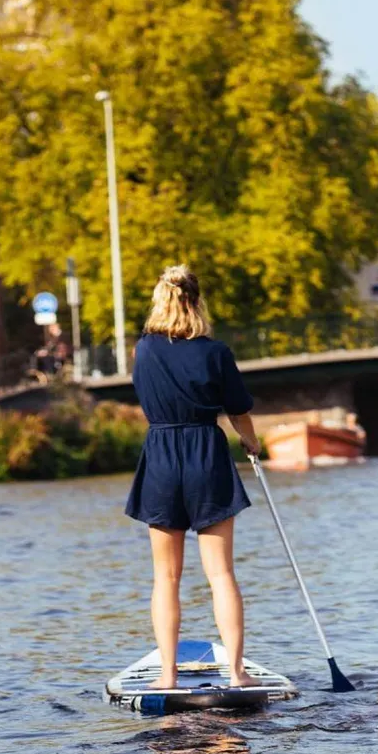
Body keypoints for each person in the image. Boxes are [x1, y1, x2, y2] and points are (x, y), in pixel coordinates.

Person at [126, 265, 262, 689]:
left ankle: (167, 675)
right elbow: (238, 409)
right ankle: (237, 673)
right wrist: (251, 441)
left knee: (166, 577)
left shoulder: (143, 350)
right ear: (197, 301)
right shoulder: (215, 352)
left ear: (159, 300)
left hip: (162, 456)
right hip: (207, 454)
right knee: (221, 574)